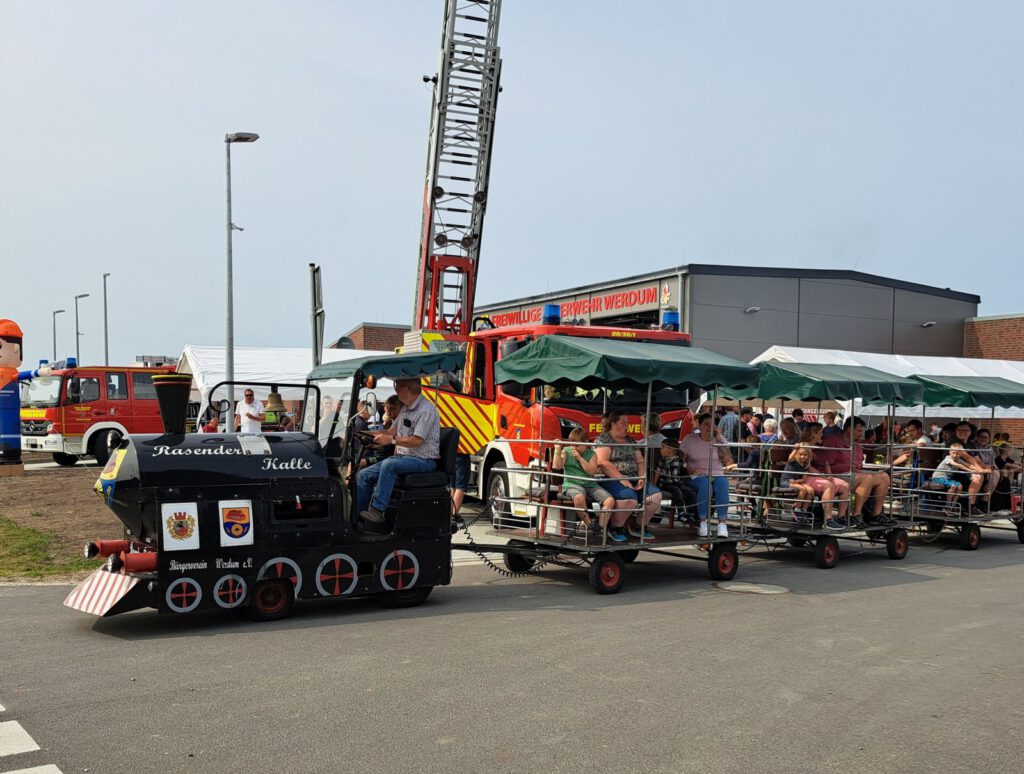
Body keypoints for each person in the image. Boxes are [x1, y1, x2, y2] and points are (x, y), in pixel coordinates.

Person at [357, 378, 441, 524]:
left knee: (389, 464)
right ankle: (359, 521)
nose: (395, 390)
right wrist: (363, 434)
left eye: (397, 386)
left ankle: (377, 511)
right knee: (363, 475)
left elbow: (417, 440)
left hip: (424, 460)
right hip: (403, 459)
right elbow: (390, 431)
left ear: (406, 388)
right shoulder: (405, 410)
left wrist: (391, 440)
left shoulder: (427, 410)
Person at [594, 411, 662, 541]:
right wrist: (622, 478)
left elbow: (640, 461)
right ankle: (615, 528)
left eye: (627, 422)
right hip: (610, 478)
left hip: (633, 478)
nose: (627, 425)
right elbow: (602, 462)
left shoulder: (630, 440)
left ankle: (638, 526)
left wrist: (642, 477)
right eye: (623, 422)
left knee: (655, 496)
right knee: (629, 499)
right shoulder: (604, 439)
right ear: (613, 424)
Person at [821, 417, 893, 526]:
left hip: (854, 474)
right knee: (866, 477)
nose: (861, 434)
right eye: (859, 431)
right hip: (837, 475)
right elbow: (825, 464)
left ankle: (876, 514)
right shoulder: (833, 441)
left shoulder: (857, 445)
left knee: (884, 476)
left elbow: (858, 466)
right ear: (849, 429)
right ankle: (856, 515)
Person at [679, 412, 736, 538]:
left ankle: (722, 523)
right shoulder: (689, 440)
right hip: (696, 475)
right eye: (706, 424)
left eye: (712, 424)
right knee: (705, 485)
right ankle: (703, 522)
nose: (709, 427)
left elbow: (728, 461)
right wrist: (689, 470)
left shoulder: (719, 440)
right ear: (699, 425)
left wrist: (718, 440)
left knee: (723, 483)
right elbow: (680, 461)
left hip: (716, 473)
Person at [552, 428, 614, 536]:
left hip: (590, 483)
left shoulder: (591, 454)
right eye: (572, 444)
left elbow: (592, 472)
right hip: (572, 483)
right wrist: (557, 449)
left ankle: (600, 528)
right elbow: (556, 466)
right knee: (579, 498)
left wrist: (580, 458)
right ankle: (590, 524)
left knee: (610, 500)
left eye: (577, 445)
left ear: (585, 443)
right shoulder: (566, 451)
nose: (573, 448)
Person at [652, 438, 698, 525]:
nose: (660, 449)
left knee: (690, 491)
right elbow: (657, 473)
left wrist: (693, 472)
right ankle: (681, 512)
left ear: (670, 449)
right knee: (677, 491)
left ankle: (692, 513)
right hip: (666, 484)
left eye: (662, 447)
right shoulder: (662, 461)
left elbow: (686, 470)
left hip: (677, 482)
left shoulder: (679, 460)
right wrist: (655, 485)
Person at [930, 444, 971, 514]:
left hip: (946, 479)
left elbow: (968, 464)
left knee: (959, 486)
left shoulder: (958, 460)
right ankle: (947, 506)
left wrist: (978, 470)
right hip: (938, 477)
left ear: (960, 454)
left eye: (957, 454)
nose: (955, 455)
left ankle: (953, 506)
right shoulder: (948, 458)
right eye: (953, 453)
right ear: (950, 452)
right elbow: (958, 465)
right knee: (953, 486)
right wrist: (969, 470)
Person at [780, 446, 818, 521]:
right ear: (797, 455)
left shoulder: (805, 465)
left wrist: (796, 481)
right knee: (803, 489)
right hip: (786, 481)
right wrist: (796, 449)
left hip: (796, 481)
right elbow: (790, 458)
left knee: (810, 490)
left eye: (805, 455)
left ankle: (803, 510)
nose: (802, 457)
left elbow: (803, 479)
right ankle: (796, 509)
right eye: (800, 454)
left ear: (808, 456)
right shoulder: (793, 461)